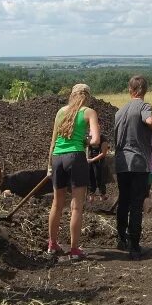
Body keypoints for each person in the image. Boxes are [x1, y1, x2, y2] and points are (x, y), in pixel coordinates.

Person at [46, 84, 100, 261]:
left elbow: (53, 142)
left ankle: (52, 244)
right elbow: (96, 140)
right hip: (76, 157)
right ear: (88, 97)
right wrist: (85, 140)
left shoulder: (61, 112)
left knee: (56, 203)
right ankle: (74, 249)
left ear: (72, 95)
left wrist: (49, 167)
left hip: (57, 158)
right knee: (76, 206)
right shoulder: (88, 112)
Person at [114, 76, 152, 260]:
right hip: (138, 163)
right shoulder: (144, 106)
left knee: (123, 201)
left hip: (121, 163)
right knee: (136, 204)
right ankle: (134, 246)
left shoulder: (119, 112)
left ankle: (121, 239)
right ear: (144, 90)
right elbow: (150, 121)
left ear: (130, 90)